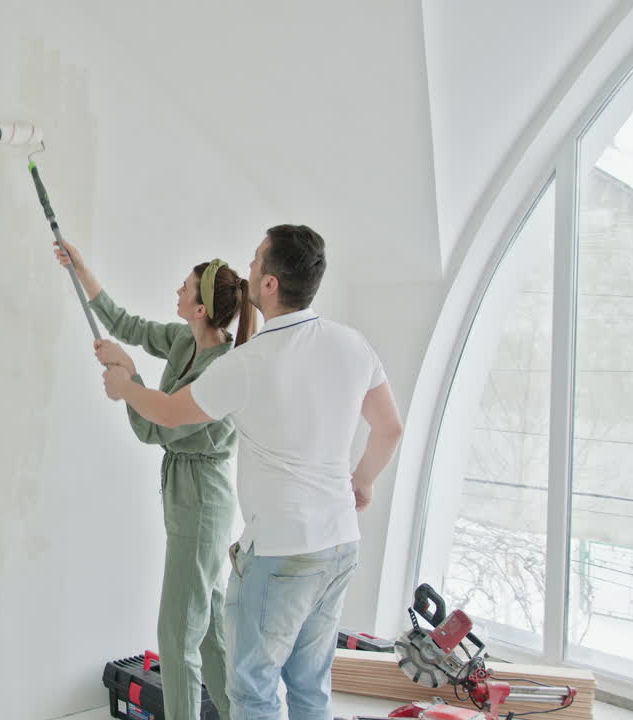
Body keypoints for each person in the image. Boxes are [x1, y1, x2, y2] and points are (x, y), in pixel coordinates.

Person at [98, 225, 404, 720]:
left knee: (254, 694)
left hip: (282, 553)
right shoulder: (351, 344)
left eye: (257, 258)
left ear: (270, 284)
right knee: (309, 688)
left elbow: (171, 415)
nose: (250, 266)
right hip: (341, 544)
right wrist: (362, 482)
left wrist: (124, 384)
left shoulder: (248, 362)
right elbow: (389, 428)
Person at [54, 239, 256, 720]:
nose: (177, 290)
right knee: (204, 630)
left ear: (202, 307)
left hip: (203, 501)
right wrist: (82, 267)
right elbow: (126, 324)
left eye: (184, 287)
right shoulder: (186, 340)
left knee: (177, 635)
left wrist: (127, 378)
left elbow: (154, 427)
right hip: (188, 496)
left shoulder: (219, 369)